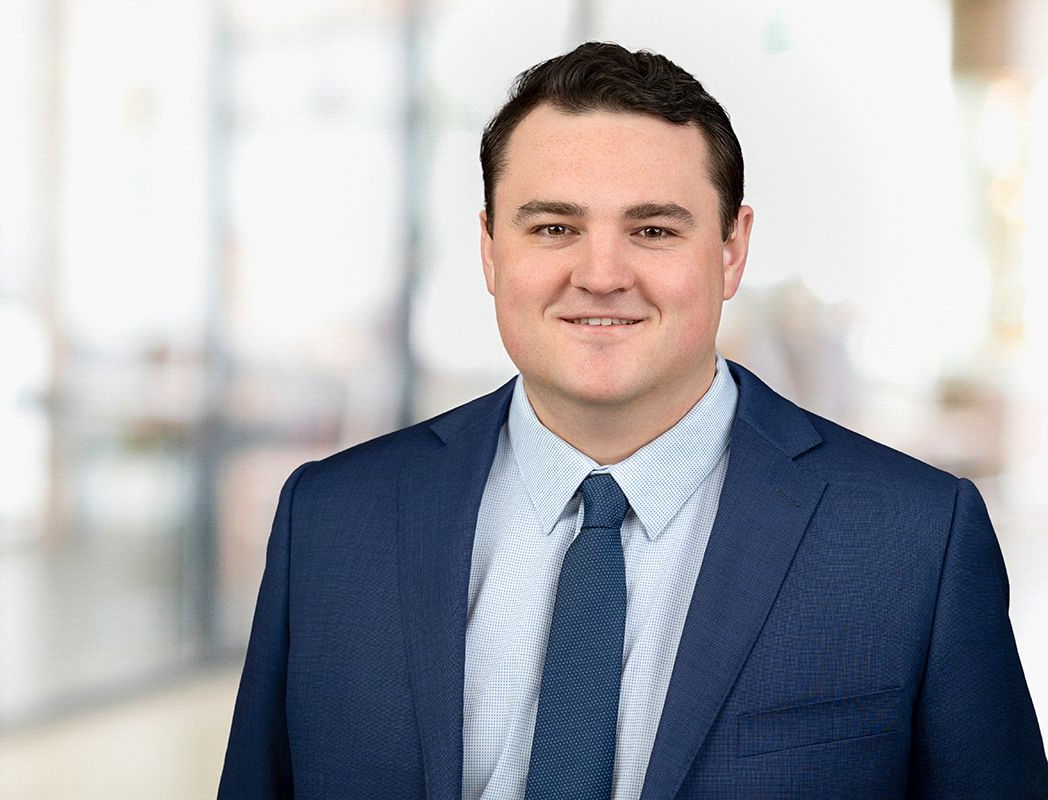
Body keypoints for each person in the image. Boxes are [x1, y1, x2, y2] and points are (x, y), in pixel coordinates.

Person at [219, 42, 1048, 799]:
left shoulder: (913, 538)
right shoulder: (332, 520)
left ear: (730, 250)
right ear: (490, 249)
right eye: (554, 227)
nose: (601, 273)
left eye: (652, 229)